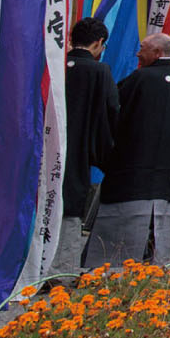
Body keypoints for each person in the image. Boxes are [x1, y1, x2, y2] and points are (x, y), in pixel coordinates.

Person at [87, 34, 170, 268]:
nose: (137, 54)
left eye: (142, 49)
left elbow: (113, 112)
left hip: (132, 166)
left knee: (124, 229)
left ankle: (114, 264)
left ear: (156, 53)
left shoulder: (140, 78)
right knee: (157, 224)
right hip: (167, 166)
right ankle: (154, 262)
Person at [50, 16, 119, 279]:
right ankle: (61, 273)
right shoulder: (100, 72)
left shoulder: (55, 65)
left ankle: (34, 269)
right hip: (77, 151)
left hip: (45, 148)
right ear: (99, 43)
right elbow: (111, 113)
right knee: (69, 211)